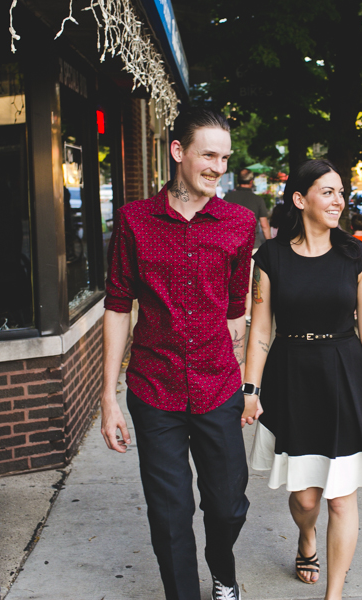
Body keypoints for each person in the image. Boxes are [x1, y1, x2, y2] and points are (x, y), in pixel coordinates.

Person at [100, 107, 254, 600]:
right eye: (209, 155)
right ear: (178, 153)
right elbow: (118, 306)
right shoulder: (134, 221)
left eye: (224, 157)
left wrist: (249, 383)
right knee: (169, 514)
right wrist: (109, 398)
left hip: (218, 386)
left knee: (228, 505)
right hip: (155, 386)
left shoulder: (239, 223)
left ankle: (222, 571)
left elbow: (237, 313)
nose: (218, 166)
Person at [242, 159, 362, 600]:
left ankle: (335, 593)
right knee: (306, 498)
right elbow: (261, 331)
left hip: (345, 377)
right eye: (327, 191)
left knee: (341, 496)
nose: (338, 201)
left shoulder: (358, 256)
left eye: (341, 192)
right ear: (300, 199)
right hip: (291, 377)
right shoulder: (270, 256)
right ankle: (306, 537)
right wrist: (250, 390)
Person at [224, 168, 272, 321]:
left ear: (238, 180)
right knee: (249, 280)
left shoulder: (228, 197)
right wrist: (270, 244)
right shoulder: (257, 200)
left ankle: (228, 311)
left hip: (229, 245)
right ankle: (247, 314)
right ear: (251, 182)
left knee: (228, 278)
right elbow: (264, 225)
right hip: (252, 245)